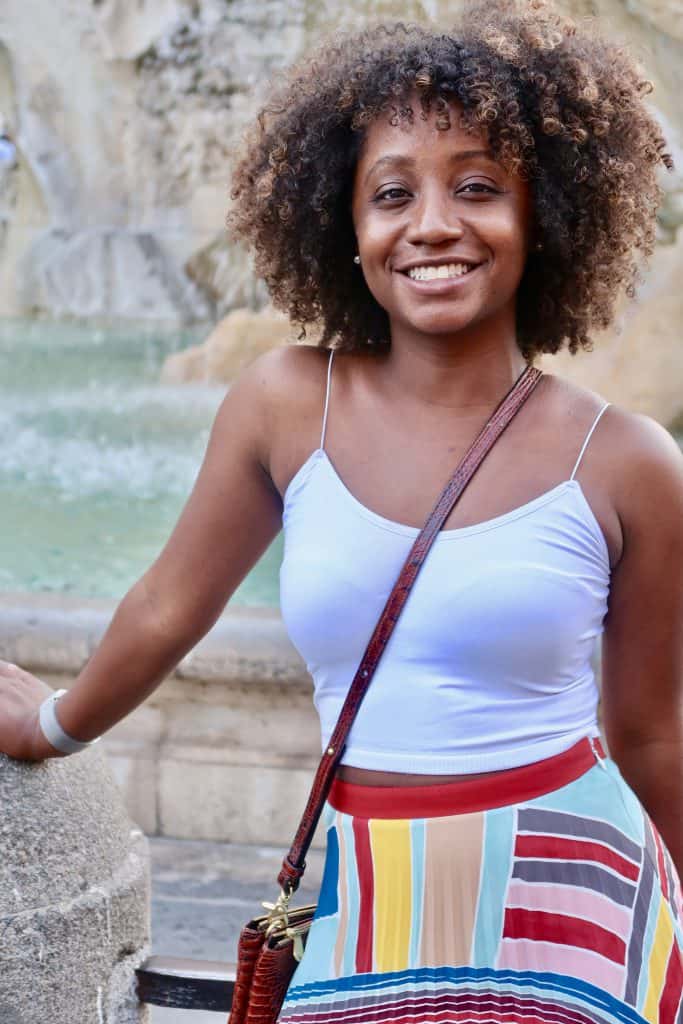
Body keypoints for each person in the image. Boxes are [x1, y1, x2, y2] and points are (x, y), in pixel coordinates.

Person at [1, 1, 682, 1021]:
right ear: (344, 225)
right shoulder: (285, 403)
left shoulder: (625, 459)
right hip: (371, 886)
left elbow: (651, 735)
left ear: (545, 217)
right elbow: (167, 604)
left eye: (478, 188)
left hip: (572, 891)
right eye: (392, 193)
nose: (433, 224)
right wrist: (52, 723)